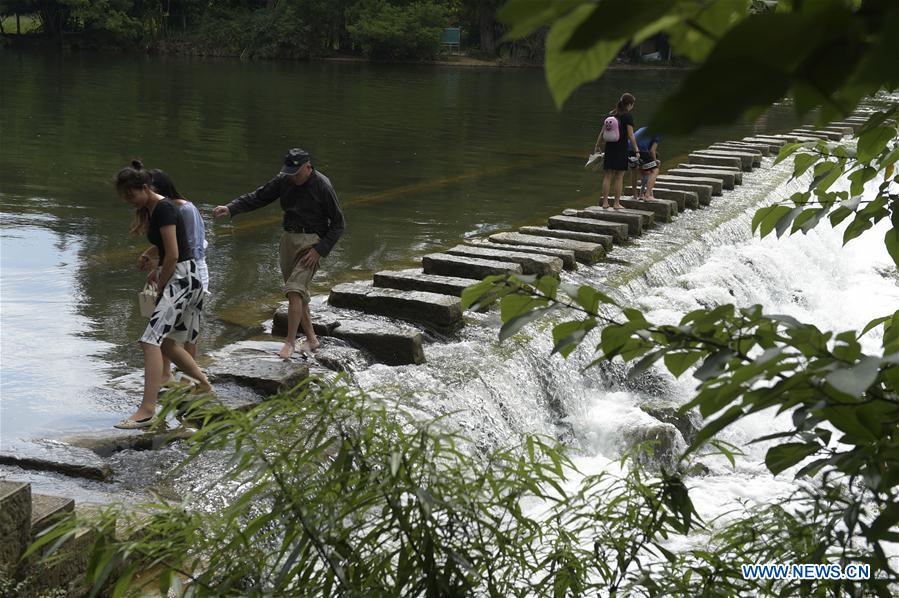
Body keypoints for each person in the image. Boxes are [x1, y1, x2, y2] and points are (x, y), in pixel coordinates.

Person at [213, 148, 346, 361]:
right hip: (288, 240)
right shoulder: (284, 179)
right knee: (299, 295)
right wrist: (231, 208)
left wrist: (319, 251)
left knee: (293, 291)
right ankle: (312, 340)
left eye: (297, 172)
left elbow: (339, 224)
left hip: (311, 242)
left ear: (308, 167)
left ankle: (289, 342)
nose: (292, 176)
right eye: (289, 172)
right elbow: (259, 196)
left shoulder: (322, 185)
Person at [115, 160, 212, 429]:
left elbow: (174, 253)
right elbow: (169, 249)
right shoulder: (156, 208)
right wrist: (151, 258)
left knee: (150, 340)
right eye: (125, 196)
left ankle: (146, 411)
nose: (129, 200)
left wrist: (161, 286)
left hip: (182, 278)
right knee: (169, 343)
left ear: (145, 187)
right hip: (188, 277)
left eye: (131, 194)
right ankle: (203, 385)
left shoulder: (165, 209)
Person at [137, 169, 210, 386]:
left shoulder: (183, 209)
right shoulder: (161, 209)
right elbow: (165, 244)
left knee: (187, 332)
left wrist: (163, 272)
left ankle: (189, 379)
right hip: (171, 269)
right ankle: (166, 373)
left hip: (190, 272)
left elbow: (187, 246)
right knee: (164, 329)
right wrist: (154, 262)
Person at [595, 93, 640, 210]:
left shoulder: (611, 114)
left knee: (607, 175)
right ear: (629, 104)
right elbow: (631, 135)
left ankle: (605, 203)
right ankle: (616, 203)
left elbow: (602, 132)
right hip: (621, 149)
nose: (632, 107)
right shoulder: (628, 116)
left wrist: (597, 145)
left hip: (609, 148)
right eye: (632, 104)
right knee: (619, 176)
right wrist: (636, 150)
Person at [627, 127, 662, 201]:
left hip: (629, 149)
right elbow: (652, 151)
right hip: (641, 150)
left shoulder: (644, 128)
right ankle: (647, 195)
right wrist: (655, 162)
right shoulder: (658, 131)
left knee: (634, 171)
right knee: (655, 170)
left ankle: (634, 195)